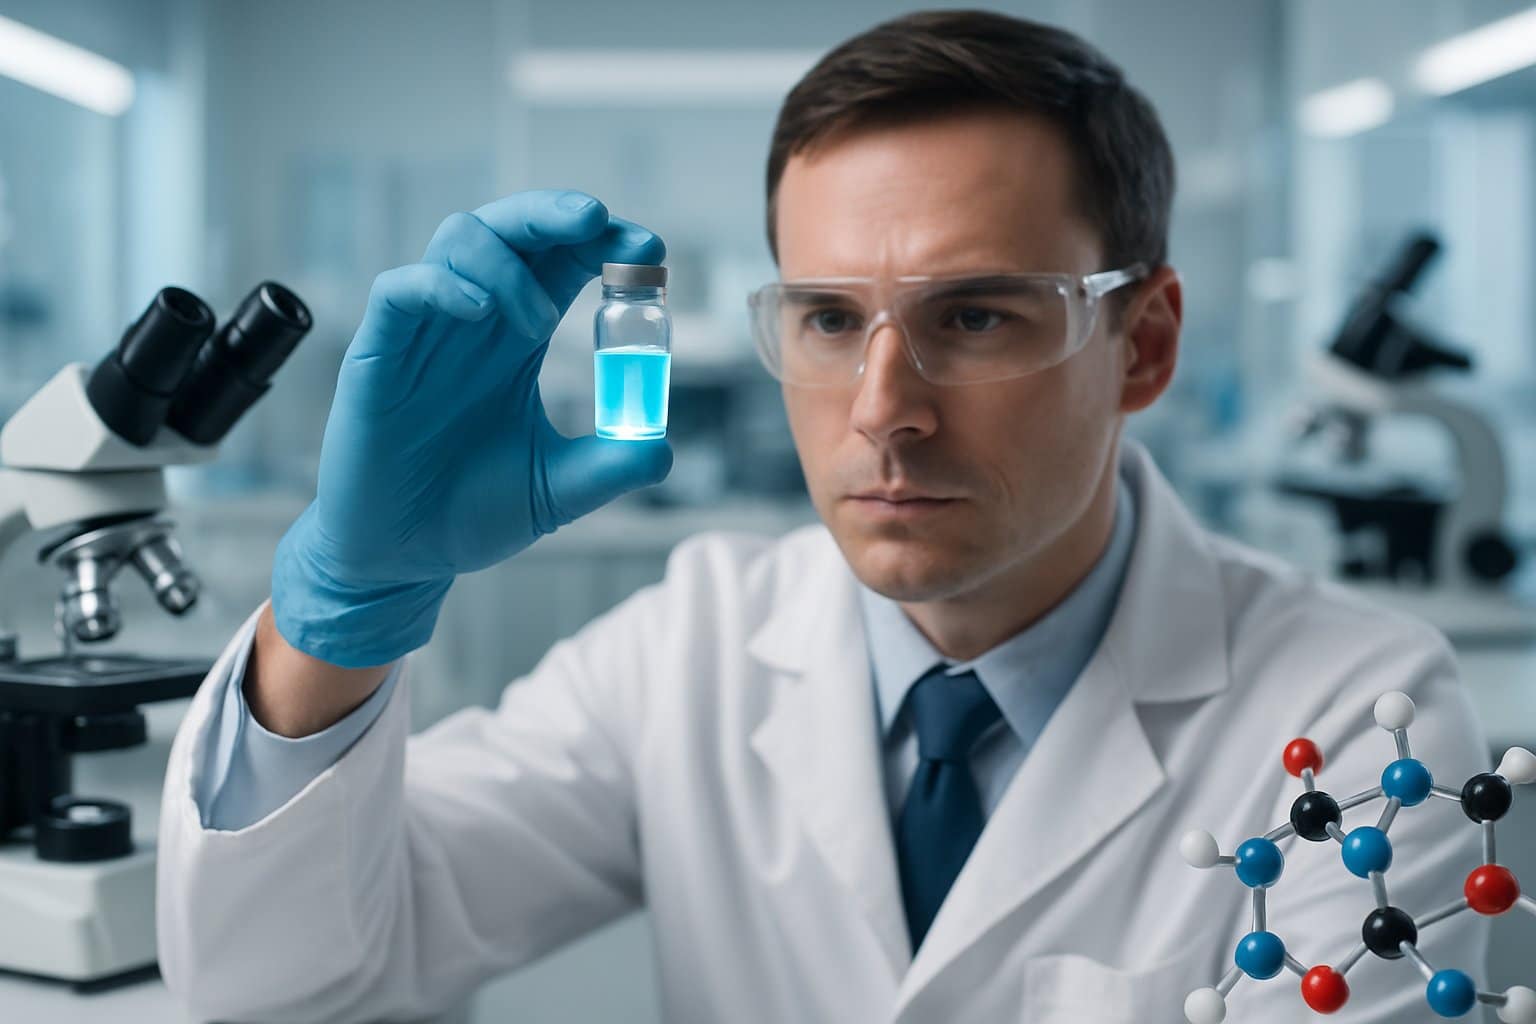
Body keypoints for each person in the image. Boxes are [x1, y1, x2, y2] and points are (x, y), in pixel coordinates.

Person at [158, 10, 1493, 1023]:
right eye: (828, 318)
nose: (882, 410)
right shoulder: (694, 645)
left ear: (1141, 347)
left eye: (975, 316)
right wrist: (343, 614)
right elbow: (276, 986)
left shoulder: (1361, 721)